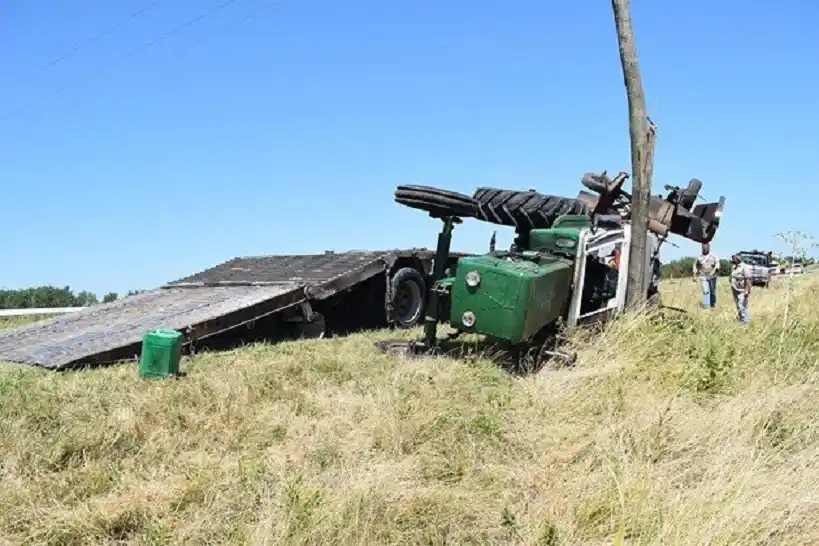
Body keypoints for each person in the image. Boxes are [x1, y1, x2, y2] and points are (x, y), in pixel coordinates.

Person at [692, 243, 720, 308]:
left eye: (706, 246)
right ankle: (706, 306)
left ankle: (712, 304)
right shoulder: (699, 257)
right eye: (703, 247)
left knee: (712, 291)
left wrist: (716, 271)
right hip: (703, 276)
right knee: (705, 291)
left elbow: (717, 264)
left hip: (712, 276)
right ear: (701, 247)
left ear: (709, 247)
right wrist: (694, 275)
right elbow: (695, 266)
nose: (704, 248)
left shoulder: (714, 256)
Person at [729, 253, 751, 324]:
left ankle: (745, 323)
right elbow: (731, 277)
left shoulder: (744, 266)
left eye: (734, 258)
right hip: (734, 290)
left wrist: (747, 291)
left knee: (742, 307)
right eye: (733, 258)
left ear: (738, 258)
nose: (733, 259)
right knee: (738, 306)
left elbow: (748, 279)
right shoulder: (733, 267)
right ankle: (741, 320)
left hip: (742, 290)